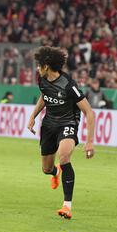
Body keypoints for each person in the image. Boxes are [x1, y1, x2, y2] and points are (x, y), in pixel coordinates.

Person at [27, 46, 95, 219]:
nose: (37, 68)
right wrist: (33, 116)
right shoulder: (41, 79)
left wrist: (89, 142)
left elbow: (89, 112)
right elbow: (44, 96)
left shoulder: (68, 85)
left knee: (64, 157)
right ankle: (55, 173)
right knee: (46, 168)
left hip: (68, 123)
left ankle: (67, 206)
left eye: (39, 65)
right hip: (49, 125)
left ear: (47, 66)